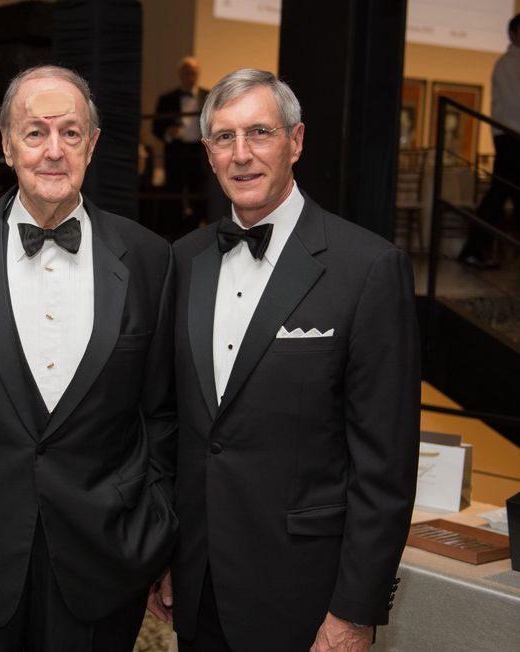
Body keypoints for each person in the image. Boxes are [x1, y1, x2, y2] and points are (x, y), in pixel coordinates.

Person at [151, 69, 420, 652]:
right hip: (198, 588)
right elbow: (170, 426)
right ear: (207, 153)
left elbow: (385, 467)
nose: (242, 155)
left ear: (296, 141)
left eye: (260, 133)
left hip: (308, 598)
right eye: (224, 138)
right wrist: (165, 554)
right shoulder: (185, 259)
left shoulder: (368, 268)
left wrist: (355, 609)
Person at [0, 64, 177, 651]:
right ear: (7, 145)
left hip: (102, 556)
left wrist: (156, 529)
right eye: (35, 132)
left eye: (70, 132)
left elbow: (163, 410)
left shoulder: (148, 257)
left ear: (93, 143)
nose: (53, 150)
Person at [458, 13, 520, 268]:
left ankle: (473, 249)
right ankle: (471, 249)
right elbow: (514, 104)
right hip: (511, 138)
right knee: (498, 195)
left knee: (503, 195)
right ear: (513, 34)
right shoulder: (507, 63)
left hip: (514, 137)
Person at [154, 57, 212, 232]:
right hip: (176, 152)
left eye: (193, 72)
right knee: (174, 195)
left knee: (201, 194)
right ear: (180, 75)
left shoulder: (208, 97)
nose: (190, 76)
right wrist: (168, 133)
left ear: (198, 74)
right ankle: (174, 234)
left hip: (200, 152)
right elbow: (156, 127)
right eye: (186, 72)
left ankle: (198, 230)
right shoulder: (166, 99)